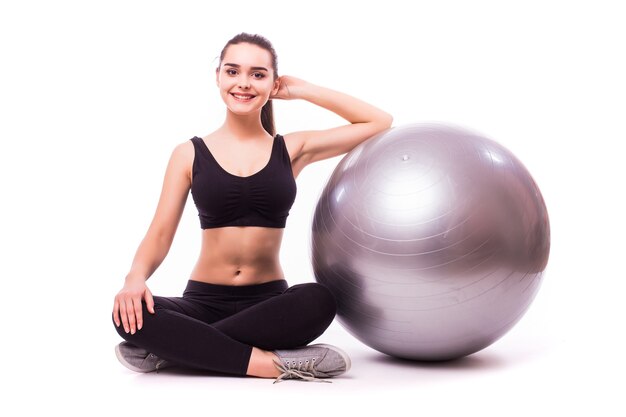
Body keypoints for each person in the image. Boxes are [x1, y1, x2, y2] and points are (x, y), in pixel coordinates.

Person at [111, 32, 393, 383]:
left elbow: (378, 122)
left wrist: (304, 89)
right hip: (202, 302)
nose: (243, 83)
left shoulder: (292, 148)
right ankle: (272, 365)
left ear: (273, 83)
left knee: (319, 300)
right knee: (129, 312)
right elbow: (161, 232)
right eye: (233, 71)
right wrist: (134, 279)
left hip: (268, 304)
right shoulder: (188, 154)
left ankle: (177, 352)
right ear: (218, 77)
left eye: (258, 74)